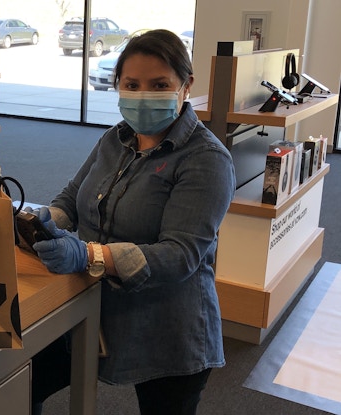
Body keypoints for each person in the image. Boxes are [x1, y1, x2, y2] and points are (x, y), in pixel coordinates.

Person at [30, 29, 236, 415]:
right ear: (119, 87)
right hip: (92, 310)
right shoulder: (115, 139)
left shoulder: (206, 159)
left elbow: (179, 255)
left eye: (159, 85)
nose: (143, 95)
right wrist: (43, 222)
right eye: (132, 84)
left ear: (185, 85)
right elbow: (72, 197)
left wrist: (88, 255)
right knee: (24, 383)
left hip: (168, 327)